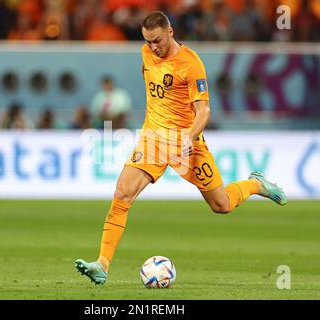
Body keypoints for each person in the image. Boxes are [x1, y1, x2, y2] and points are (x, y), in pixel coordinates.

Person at [75, 11, 287, 285]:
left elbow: (204, 111)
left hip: (187, 143)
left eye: (158, 40)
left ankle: (256, 185)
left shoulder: (191, 64)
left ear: (171, 32)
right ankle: (102, 264)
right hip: (153, 141)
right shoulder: (146, 54)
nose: (153, 47)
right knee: (122, 194)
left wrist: (188, 138)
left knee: (221, 205)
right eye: (148, 41)